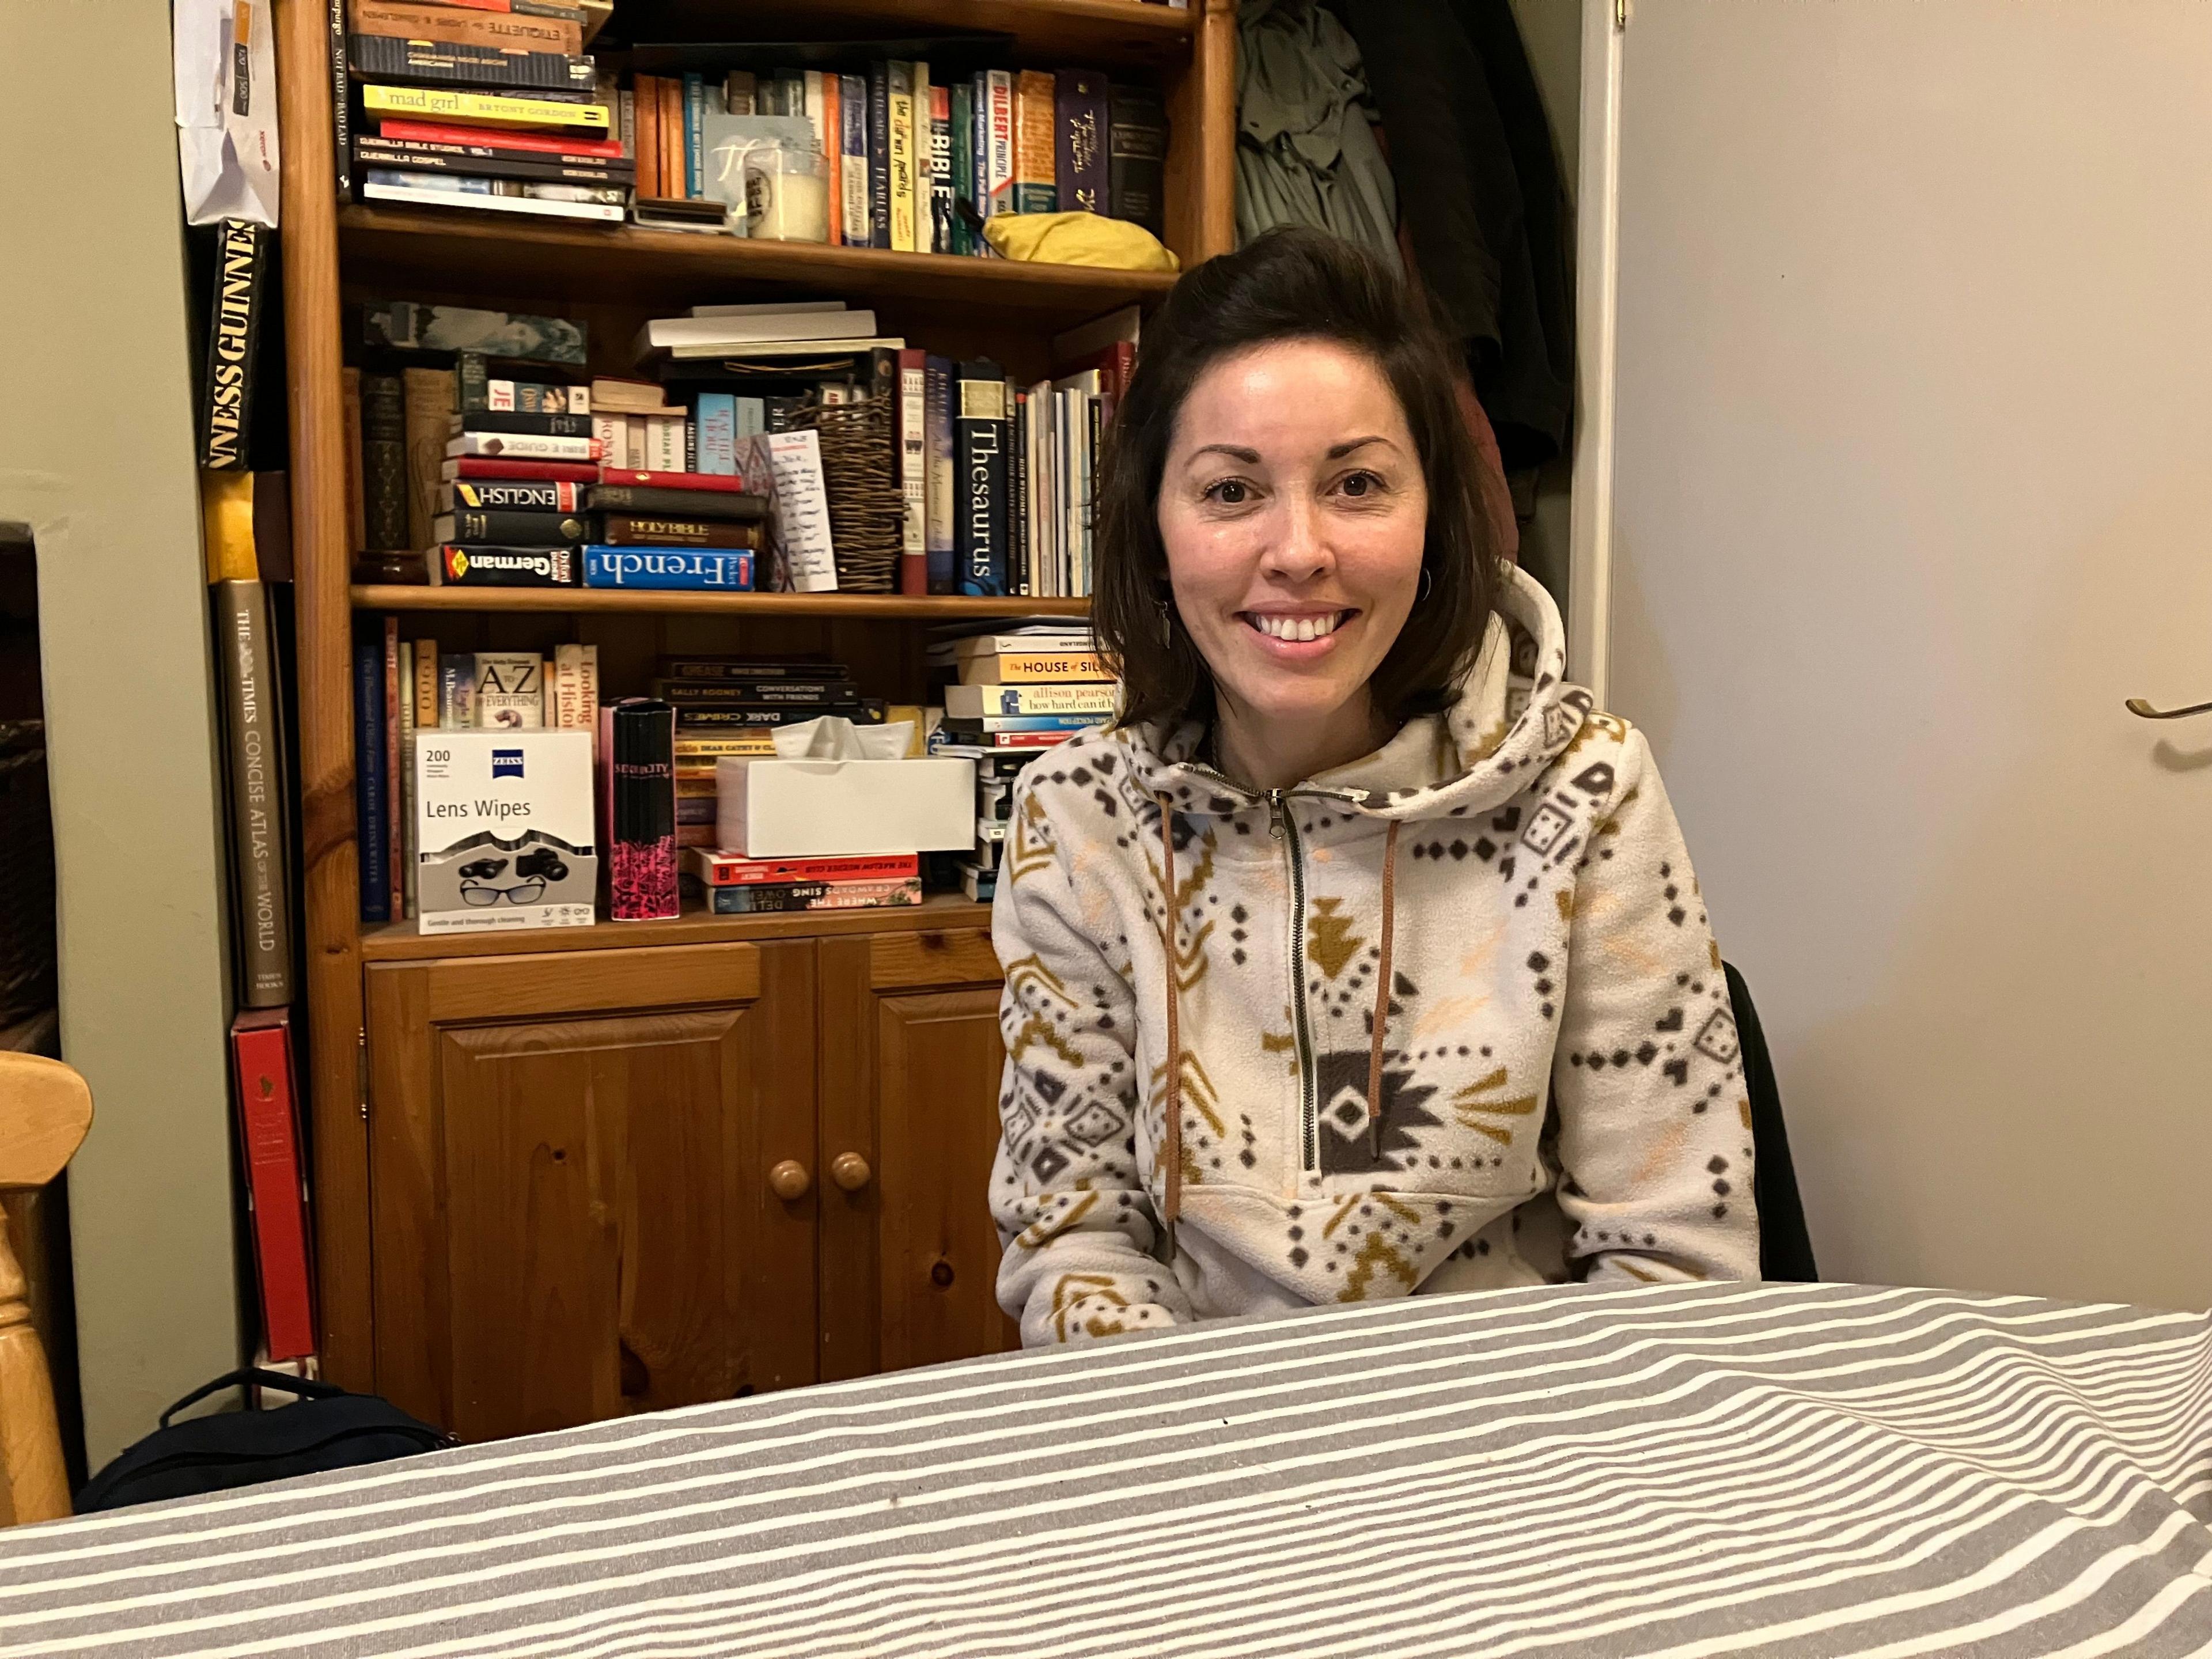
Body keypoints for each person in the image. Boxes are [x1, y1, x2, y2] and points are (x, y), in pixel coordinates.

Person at [989, 226, 1758, 1346]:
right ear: (1155, 532)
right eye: (1230, 490)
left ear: (1436, 518)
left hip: (1525, 1439)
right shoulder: (1079, 821)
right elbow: (1075, 1240)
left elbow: (1676, 1256)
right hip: (1200, 1431)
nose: (1297, 550)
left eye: (1356, 484)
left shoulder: (1588, 790)